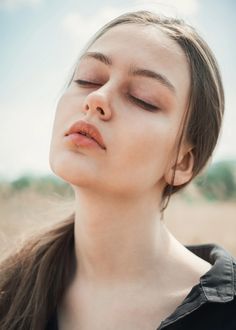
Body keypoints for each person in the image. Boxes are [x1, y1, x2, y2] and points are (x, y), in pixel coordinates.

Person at [0, 10, 235, 330]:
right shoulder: (8, 292)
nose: (97, 97)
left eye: (143, 99)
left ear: (181, 163)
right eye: (87, 79)